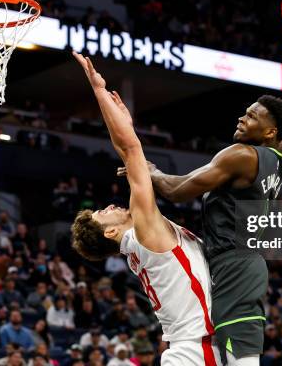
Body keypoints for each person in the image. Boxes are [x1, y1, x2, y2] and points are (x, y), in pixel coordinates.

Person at [121, 21, 282, 364]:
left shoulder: (241, 156)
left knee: (240, 358)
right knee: (228, 353)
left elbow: (178, 191)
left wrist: (149, 171)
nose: (242, 118)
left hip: (234, 263)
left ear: (268, 131)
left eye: (252, 117)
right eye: (246, 112)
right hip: (241, 261)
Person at [70, 53, 221, 366]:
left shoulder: (144, 238)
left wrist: (124, 124)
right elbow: (130, 149)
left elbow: (130, 150)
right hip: (197, 350)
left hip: (193, 348)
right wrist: (99, 91)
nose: (108, 205)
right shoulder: (144, 232)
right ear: (110, 231)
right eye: (102, 213)